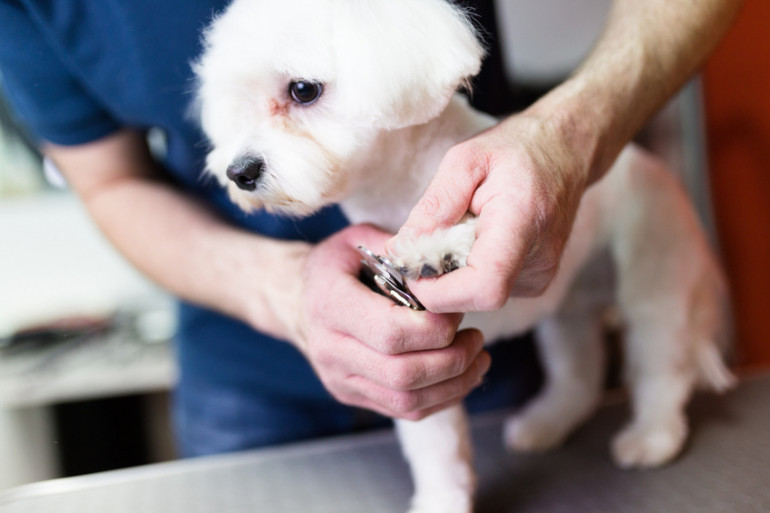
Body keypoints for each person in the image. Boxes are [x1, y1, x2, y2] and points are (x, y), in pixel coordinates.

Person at [0, 0, 741, 458]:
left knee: (617, 328)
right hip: (245, 378)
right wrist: (280, 289)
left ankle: (652, 402)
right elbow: (107, 177)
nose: (244, 158)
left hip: (494, 365)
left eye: (303, 92)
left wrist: (573, 133)